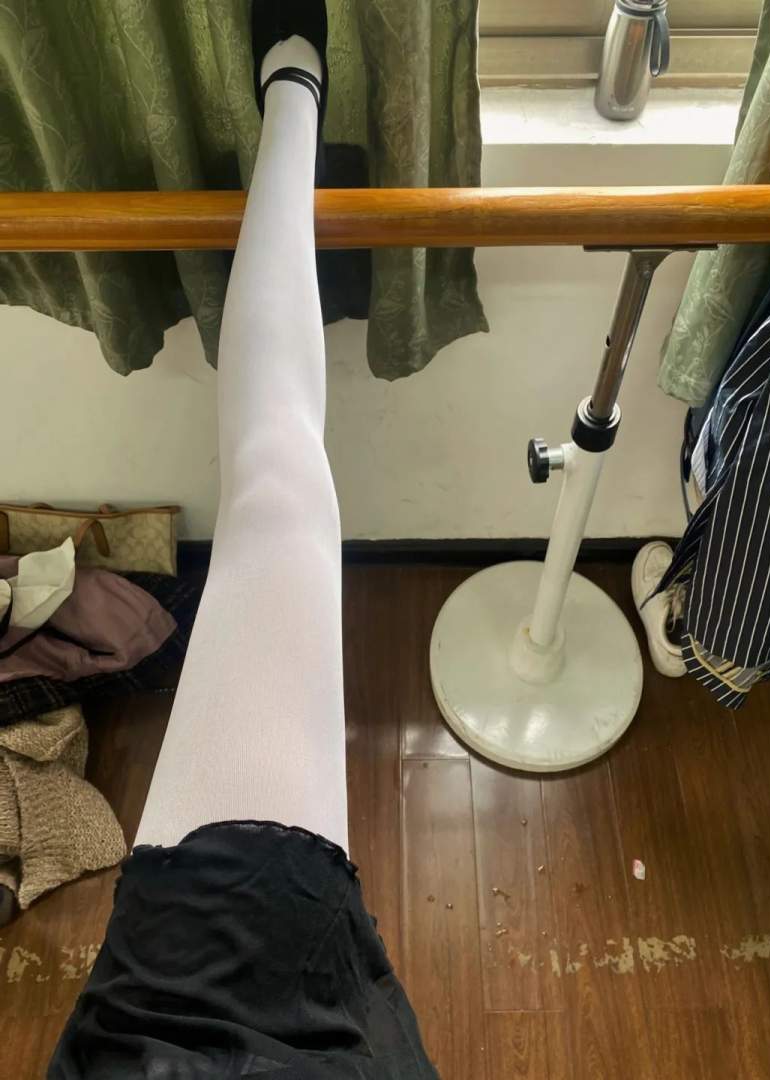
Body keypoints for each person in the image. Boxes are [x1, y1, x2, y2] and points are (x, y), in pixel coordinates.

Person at [48, 4, 437, 1076]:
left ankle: (293, 88)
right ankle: (294, 86)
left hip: (218, 1014)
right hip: (233, 1007)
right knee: (274, 479)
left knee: (276, 479)